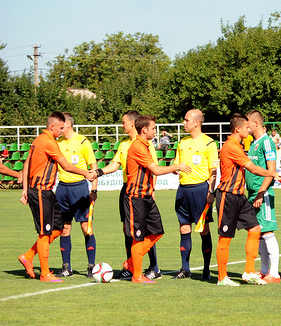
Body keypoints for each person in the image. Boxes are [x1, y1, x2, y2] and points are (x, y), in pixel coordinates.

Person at [18, 111, 96, 282]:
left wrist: (24, 189)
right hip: (40, 190)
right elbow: (66, 166)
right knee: (45, 232)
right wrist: (86, 173)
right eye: (60, 128)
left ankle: (28, 256)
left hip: (47, 192)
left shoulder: (38, 140)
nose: (62, 130)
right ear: (52, 126)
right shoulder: (49, 142)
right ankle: (45, 273)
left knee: (58, 228)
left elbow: (26, 163)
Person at [213, 114, 281, 286]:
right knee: (225, 236)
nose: (248, 129)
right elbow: (253, 168)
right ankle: (222, 277)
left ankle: (249, 272)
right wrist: (274, 173)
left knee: (255, 228)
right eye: (245, 127)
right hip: (228, 195)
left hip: (239, 195)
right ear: (238, 129)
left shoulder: (240, 145)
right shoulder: (231, 146)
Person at [123, 115, 191, 283]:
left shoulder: (146, 145)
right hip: (136, 197)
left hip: (147, 196)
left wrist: (171, 169)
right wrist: (177, 166)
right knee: (138, 236)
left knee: (157, 231)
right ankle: (137, 275)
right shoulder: (137, 146)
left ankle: (131, 262)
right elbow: (156, 170)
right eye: (153, 128)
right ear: (144, 129)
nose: (155, 131)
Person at [98, 110, 162, 280]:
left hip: (142, 190)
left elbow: (154, 168)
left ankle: (153, 267)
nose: (122, 125)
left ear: (133, 123)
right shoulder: (124, 144)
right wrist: (99, 172)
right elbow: (114, 165)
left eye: (124, 122)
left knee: (147, 230)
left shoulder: (146, 144)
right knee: (129, 230)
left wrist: (152, 190)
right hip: (127, 189)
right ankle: (132, 266)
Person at [172, 109, 219, 281]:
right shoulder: (182, 142)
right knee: (184, 228)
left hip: (200, 190)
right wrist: (175, 168)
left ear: (196, 123)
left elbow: (213, 171)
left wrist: (211, 191)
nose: (183, 123)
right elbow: (176, 164)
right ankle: (185, 269)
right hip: (183, 189)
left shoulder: (209, 143)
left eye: (186, 120)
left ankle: (206, 269)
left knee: (203, 230)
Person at [53, 113, 99, 277]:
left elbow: (93, 167)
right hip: (62, 189)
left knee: (86, 228)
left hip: (79, 189)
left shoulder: (83, 142)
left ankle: (91, 266)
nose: (60, 128)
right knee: (64, 229)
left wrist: (93, 190)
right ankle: (66, 267)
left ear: (68, 124)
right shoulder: (57, 143)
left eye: (61, 124)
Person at [246, 110, 281, 284]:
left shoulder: (267, 142)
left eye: (247, 123)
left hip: (263, 193)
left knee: (267, 231)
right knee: (258, 232)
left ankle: (274, 273)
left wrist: (261, 192)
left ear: (255, 123)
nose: (245, 126)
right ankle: (264, 270)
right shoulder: (253, 143)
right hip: (252, 193)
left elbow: (271, 170)